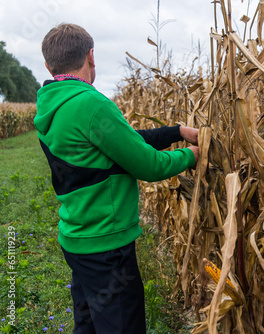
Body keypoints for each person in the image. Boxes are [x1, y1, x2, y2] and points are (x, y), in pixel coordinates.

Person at [34, 23, 199, 334]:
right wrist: (191, 155)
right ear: (91, 57)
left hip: (78, 237)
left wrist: (174, 133)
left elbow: (119, 144)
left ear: (48, 65)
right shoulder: (91, 104)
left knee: (88, 324)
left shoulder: (52, 106)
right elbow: (148, 166)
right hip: (106, 246)